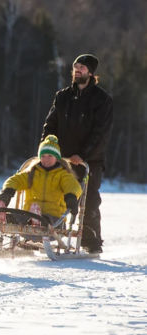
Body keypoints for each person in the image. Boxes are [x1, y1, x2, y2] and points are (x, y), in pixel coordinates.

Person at [41, 53, 113, 253]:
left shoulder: (102, 100)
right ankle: (51, 233)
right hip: (61, 159)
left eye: (81, 68)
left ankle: (92, 241)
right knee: (53, 195)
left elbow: (100, 134)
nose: (77, 70)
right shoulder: (62, 96)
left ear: (90, 73)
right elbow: (50, 125)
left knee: (88, 201)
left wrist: (83, 155)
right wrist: (46, 148)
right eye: (75, 67)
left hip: (89, 161)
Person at [0, 135, 82, 226]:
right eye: (43, 156)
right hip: (28, 214)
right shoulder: (32, 172)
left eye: (50, 156)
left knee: (47, 220)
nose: (46, 159)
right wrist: (5, 195)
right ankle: (6, 217)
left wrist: (71, 196)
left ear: (57, 158)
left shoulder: (63, 174)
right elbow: (15, 180)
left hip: (54, 218)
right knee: (19, 216)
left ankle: (37, 221)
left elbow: (73, 185)